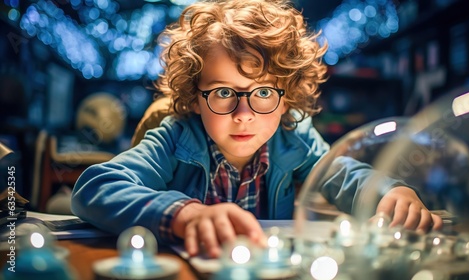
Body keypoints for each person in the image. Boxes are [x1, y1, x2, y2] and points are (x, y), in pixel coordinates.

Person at [71, 0, 442, 258]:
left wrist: (390, 194)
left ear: (287, 97)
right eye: (222, 92)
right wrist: (184, 214)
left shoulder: (295, 137)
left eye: (263, 91)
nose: (244, 113)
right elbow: (95, 188)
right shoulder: (176, 136)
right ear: (196, 98)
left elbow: (343, 174)